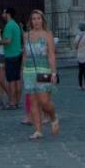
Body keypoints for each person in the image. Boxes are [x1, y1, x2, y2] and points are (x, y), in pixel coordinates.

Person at [23, 9, 59, 140]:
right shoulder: (26, 35)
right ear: (30, 21)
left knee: (44, 101)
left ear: (42, 20)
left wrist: (54, 72)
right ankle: (38, 130)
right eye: (34, 19)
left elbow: (51, 54)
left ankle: (53, 117)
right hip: (29, 70)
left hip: (44, 69)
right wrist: (23, 70)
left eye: (38, 18)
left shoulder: (47, 34)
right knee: (33, 102)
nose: (36, 21)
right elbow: (25, 54)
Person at [1, 7, 24, 109]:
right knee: (17, 79)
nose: (2, 14)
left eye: (4, 13)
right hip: (18, 54)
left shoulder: (9, 26)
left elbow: (7, 41)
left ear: (8, 14)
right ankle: (17, 102)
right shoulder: (16, 25)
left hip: (10, 55)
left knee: (10, 80)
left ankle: (11, 103)